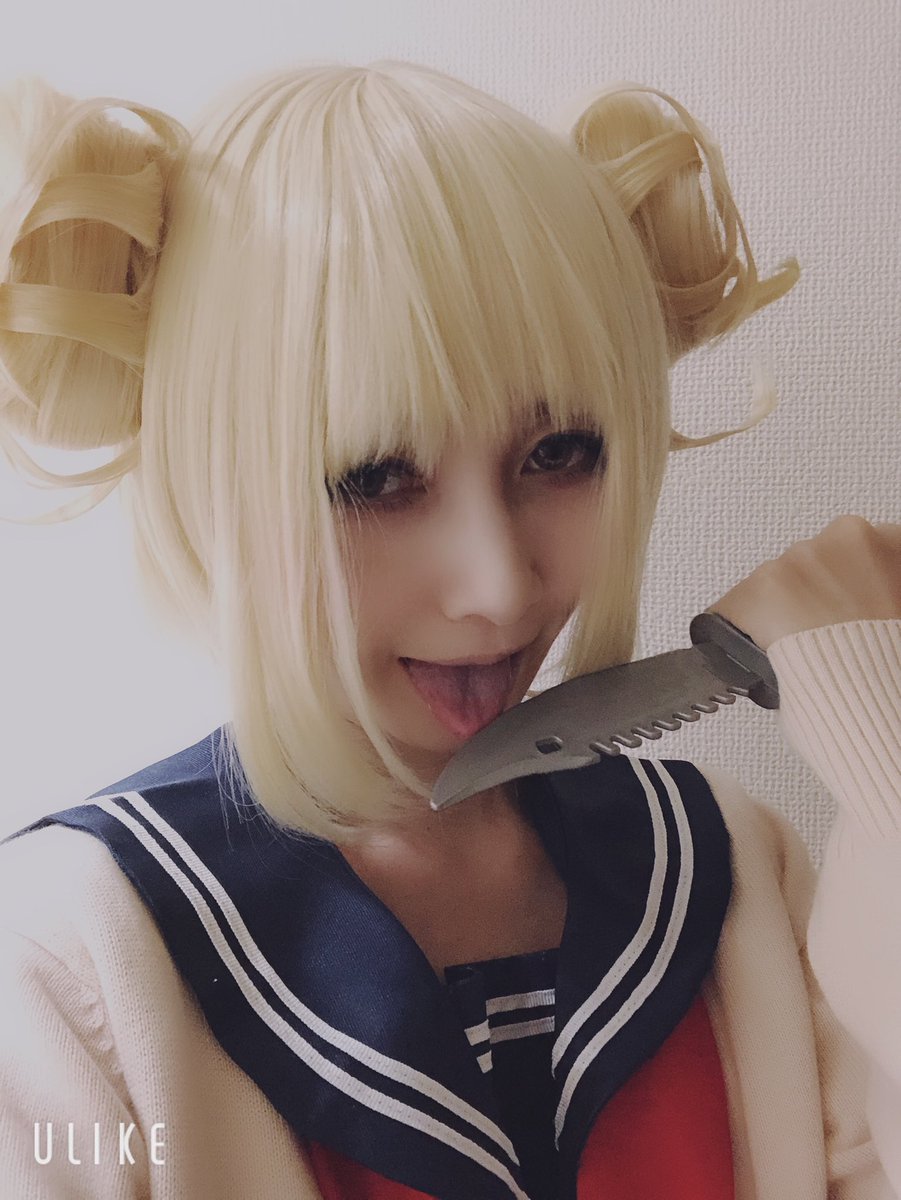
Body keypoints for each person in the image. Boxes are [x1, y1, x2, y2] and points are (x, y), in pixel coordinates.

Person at [0, 58, 898, 1200]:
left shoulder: (729, 870)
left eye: (559, 453)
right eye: (376, 476)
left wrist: (885, 748)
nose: (500, 588)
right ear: (207, 481)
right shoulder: (63, 966)